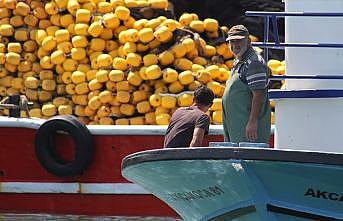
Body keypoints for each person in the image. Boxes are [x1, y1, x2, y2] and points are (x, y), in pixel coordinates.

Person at [222, 25, 271, 143]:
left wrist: (253, 122)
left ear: (248, 41)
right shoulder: (239, 61)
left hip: (248, 131)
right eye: (232, 42)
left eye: (239, 41)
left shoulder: (254, 63)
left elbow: (259, 95)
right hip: (236, 127)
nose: (235, 45)